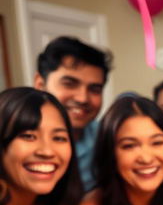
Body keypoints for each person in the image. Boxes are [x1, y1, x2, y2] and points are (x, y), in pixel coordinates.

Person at [33, 36, 112, 192]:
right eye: (69, 84)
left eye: (94, 89)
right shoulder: (14, 138)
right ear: (40, 84)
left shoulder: (106, 138)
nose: (83, 98)